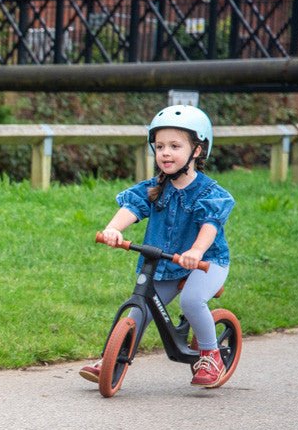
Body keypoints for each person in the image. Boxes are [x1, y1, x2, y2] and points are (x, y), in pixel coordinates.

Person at [80, 105, 235, 388]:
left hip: (206, 261)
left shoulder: (210, 193)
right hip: (165, 263)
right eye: (160, 146)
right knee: (139, 310)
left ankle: (211, 355)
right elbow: (132, 207)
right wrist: (114, 229)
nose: (165, 152)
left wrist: (196, 251)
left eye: (175, 146)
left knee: (191, 301)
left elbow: (209, 225)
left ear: (196, 151)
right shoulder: (155, 187)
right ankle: (112, 359)